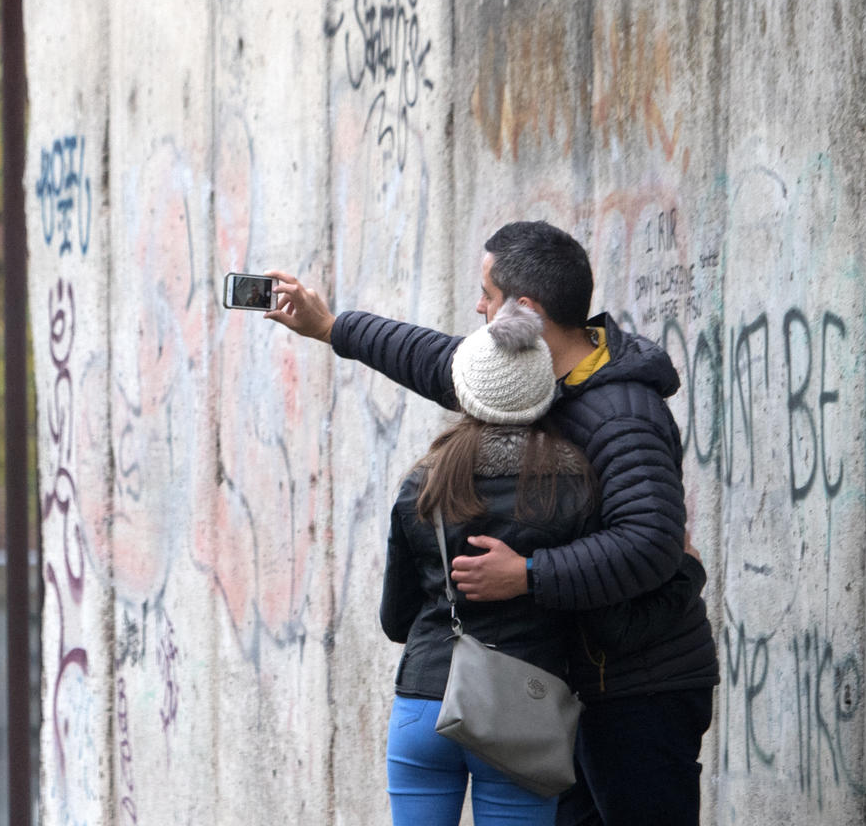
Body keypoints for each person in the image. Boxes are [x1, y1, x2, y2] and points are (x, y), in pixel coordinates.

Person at [269, 220, 719, 826]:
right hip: (570, 682)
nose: (478, 308)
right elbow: (438, 360)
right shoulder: (531, 378)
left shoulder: (620, 412)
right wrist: (330, 327)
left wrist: (529, 574)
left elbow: (651, 545)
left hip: (639, 687)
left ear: (524, 308)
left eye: (486, 293)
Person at [379, 300, 595, 825]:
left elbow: (394, 620)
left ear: (465, 391)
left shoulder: (423, 484)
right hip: (525, 708)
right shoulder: (576, 486)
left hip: (426, 705)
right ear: (546, 390)